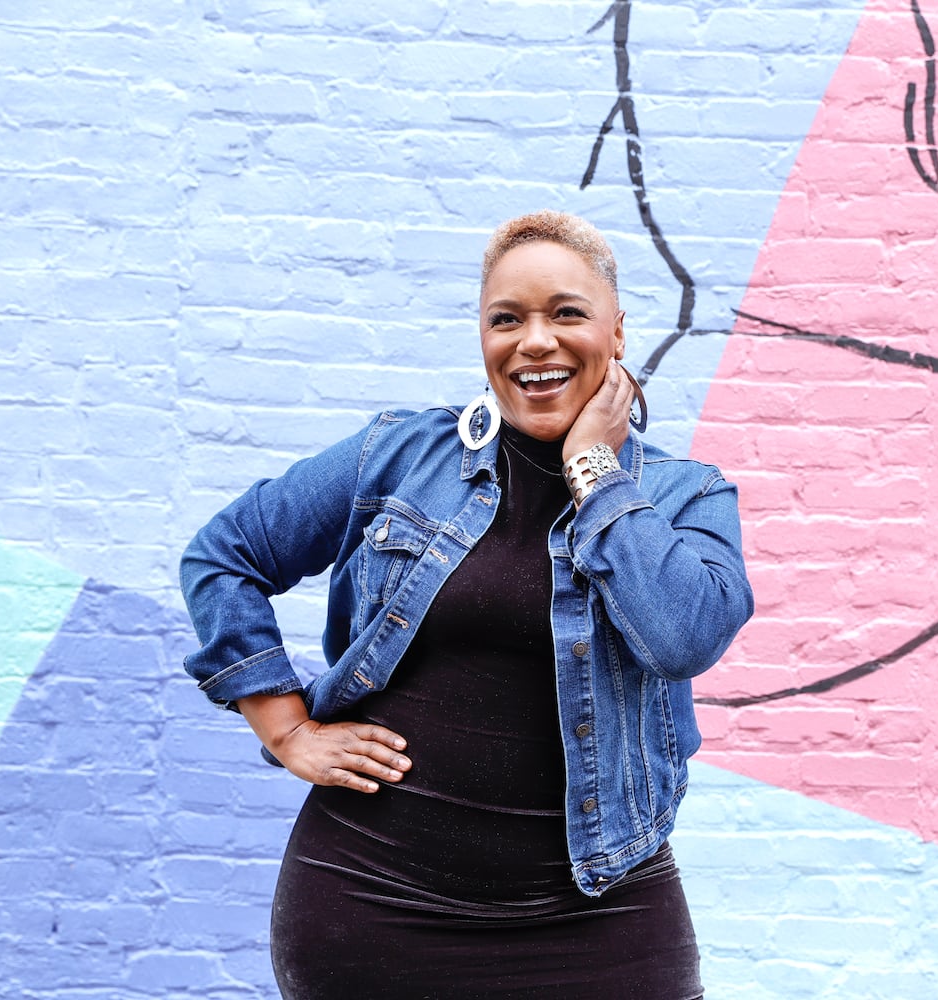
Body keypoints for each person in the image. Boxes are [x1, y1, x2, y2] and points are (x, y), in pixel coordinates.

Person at [180, 210, 753, 999]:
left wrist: (596, 470)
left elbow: (684, 635)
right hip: (374, 906)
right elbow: (225, 555)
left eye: (566, 313)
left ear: (617, 334)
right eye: (506, 319)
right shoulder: (401, 456)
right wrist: (285, 728)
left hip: (600, 916)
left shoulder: (688, 496)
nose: (536, 341)